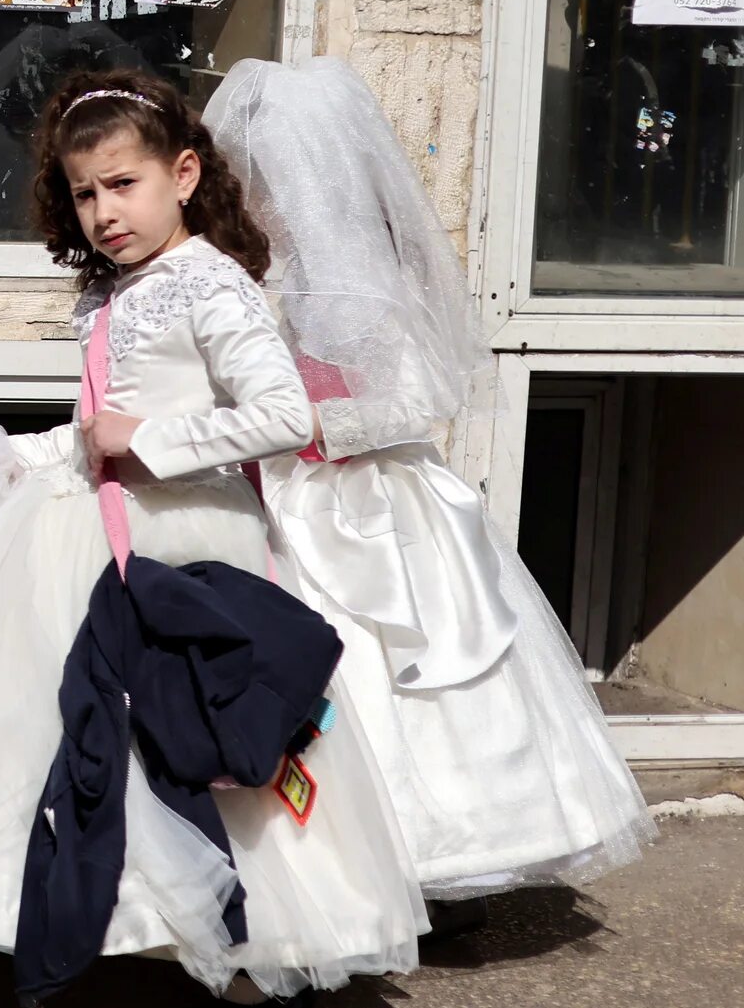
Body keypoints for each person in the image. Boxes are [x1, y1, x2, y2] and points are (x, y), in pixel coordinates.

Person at [0, 70, 427, 1006]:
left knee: (178, 736)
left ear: (183, 175)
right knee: (16, 727)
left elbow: (280, 412)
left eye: (123, 184)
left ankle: (242, 950)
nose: (103, 211)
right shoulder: (114, 290)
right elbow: (102, 421)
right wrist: (19, 455)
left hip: (179, 543)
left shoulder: (213, 286)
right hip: (90, 533)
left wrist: (153, 444)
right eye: (84, 192)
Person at [208, 57, 653, 899]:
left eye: (266, 182)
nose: (255, 198)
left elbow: (415, 398)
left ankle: (426, 858)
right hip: (290, 499)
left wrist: (306, 427)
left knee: (405, 671)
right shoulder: (274, 283)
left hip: (372, 509)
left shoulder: (363, 288)